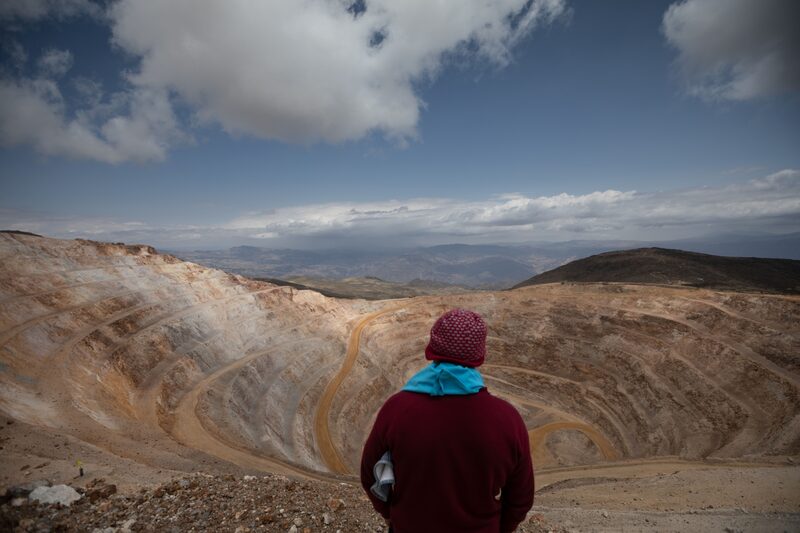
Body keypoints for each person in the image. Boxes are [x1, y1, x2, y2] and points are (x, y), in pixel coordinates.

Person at [360, 308, 534, 533]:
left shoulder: (396, 409)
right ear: (479, 356)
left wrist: (391, 514)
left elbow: (369, 475)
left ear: (431, 349)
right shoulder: (508, 419)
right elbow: (521, 498)